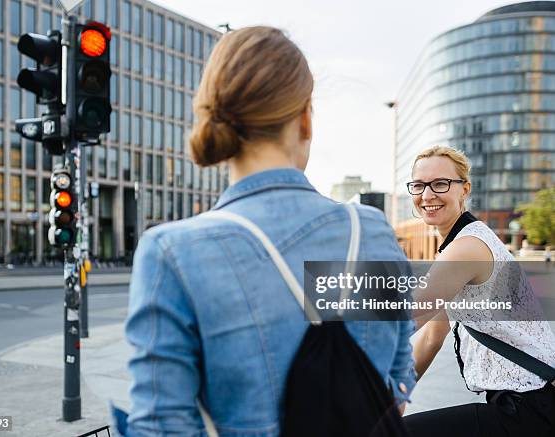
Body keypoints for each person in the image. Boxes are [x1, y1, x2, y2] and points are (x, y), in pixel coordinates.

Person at [122, 26, 416, 436]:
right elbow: (396, 383)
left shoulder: (174, 253)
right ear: (306, 119)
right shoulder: (369, 231)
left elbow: (162, 426)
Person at [403, 146, 555, 436]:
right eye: (419, 185)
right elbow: (432, 338)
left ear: (464, 189)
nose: (427, 195)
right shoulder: (463, 242)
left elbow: (404, 320)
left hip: (526, 410)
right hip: (524, 407)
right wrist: (392, 397)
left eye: (440, 183)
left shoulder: (467, 247)